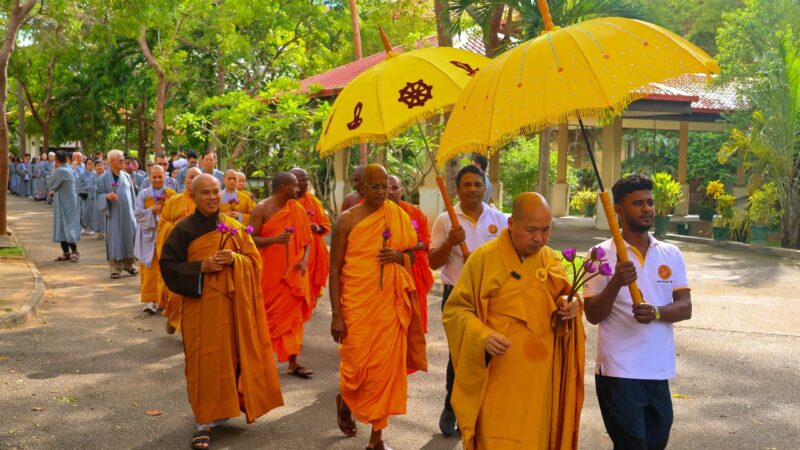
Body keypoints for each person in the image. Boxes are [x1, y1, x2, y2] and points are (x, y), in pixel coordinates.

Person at [443, 192, 584, 449]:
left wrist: (570, 303)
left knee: (535, 436)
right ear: (511, 224)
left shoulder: (549, 258)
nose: (539, 238)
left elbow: (564, 294)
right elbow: (455, 311)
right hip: (500, 370)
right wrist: (482, 336)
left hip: (541, 371)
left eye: (546, 230)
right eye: (531, 230)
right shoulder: (483, 258)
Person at [160, 174, 284, 450]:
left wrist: (236, 260)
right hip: (200, 307)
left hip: (232, 307)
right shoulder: (182, 230)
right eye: (205, 193)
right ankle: (203, 422)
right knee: (203, 361)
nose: (212, 197)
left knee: (231, 358)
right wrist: (199, 268)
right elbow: (168, 267)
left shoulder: (233, 227)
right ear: (193, 197)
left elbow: (254, 262)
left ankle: (226, 408)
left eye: (216, 191)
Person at [583, 175, 692, 450]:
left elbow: (685, 307)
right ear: (617, 210)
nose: (647, 209)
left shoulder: (670, 253)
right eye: (638, 203)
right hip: (618, 372)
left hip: (658, 371)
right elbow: (593, 314)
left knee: (656, 443)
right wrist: (616, 282)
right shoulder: (598, 255)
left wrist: (656, 312)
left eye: (650, 202)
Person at [329, 164, 427, 450]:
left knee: (384, 369)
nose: (381, 192)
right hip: (356, 304)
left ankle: (377, 436)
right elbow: (334, 271)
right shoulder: (346, 220)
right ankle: (345, 398)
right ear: (360, 187)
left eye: (385, 186)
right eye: (375, 186)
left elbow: (414, 249)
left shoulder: (396, 215)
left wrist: (398, 256)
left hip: (389, 305)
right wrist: (336, 315)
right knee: (356, 365)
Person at [429, 164, 508, 436]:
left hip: (492, 296)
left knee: (492, 353)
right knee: (460, 356)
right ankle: (453, 404)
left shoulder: (500, 219)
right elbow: (432, 262)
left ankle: (485, 408)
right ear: (457, 189)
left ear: (485, 187)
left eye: (478, 184)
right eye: (467, 185)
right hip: (457, 296)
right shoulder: (445, 221)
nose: (473, 189)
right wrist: (450, 241)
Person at [250, 172, 314, 378]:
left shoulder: (297, 209)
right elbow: (249, 240)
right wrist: (275, 240)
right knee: (266, 319)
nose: (299, 189)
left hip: (294, 275)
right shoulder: (261, 209)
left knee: (293, 321)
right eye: (295, 185)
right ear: (283, 187)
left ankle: (293, 362)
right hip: (269, 274)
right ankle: (259, 363)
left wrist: (304, 259)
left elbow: (307, 240)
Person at [386, 175, 434, 332]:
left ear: (402, 190)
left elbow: (427, 241)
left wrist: (409, 245)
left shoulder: (415, 213)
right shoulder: (374, 212)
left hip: (413, 270)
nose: (390, 191)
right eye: (386, 187)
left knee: (414, 314)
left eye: (394, 188)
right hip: (386, 269)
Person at [158, 167, 202, 334]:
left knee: (194, 292)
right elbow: (162, 225)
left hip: (197, 253)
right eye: (192, 177)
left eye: (198, 177)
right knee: (175, 291)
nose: (194, 181)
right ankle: (172, 316)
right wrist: (179, 228)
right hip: (177, 252)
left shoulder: (206, 202)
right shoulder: (173, 202)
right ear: (185, 180)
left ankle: (183, 326)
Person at [135, 165, 177, 314]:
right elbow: (138, 213)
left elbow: (176, 215)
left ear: (165, 177)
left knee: (165, 267)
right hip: (148, 235)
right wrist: (151, 211)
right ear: (149, 177)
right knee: (149, 269)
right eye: (155, 177)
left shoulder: (171, 195)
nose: (157, 179)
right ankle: (150, 300)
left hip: (165, 236)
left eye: (160, 176)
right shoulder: (144, 194)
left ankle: (164, 300)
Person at [96, 150, 138, 279]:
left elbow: (132, 195)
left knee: (129, 237)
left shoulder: (126, 175)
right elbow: (97, 195)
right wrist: (106, 196)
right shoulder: (103, 178)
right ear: (111, 162)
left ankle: (129, 264)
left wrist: (135, 212)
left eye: (123, 160)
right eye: (120, 160)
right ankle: (115, 267)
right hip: (114, 214)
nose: (123, 162)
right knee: (115, 240)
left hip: (127, 214)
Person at [291, 167, 330, 303]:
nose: (305, 182)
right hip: (293, 246)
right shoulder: (284, 202)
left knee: (312, 277)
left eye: (306, 179)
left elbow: (325, 225)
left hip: (313, 248)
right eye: (301, 180)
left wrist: (317, 227)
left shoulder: (313, 201)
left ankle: (310, 302)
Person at [47, 150, 81, 263]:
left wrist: (54, 169)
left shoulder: (61, 170)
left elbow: (50, 184)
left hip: (66, 202)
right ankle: (66, 253)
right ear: (67, 159)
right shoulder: (68, 169)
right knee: (62, 225)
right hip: (65, 200)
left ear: (56, 160)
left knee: (67, 226)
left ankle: (75, 251)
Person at [78, 159, 96, 235]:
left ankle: (92, 228)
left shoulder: (96, 174)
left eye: (91, 163)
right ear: (85, 165)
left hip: (94, 196)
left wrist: (92, 188)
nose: (90, 165)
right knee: (84, 212)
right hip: (85, 196)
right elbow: (78, 185)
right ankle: (83, 227)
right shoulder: (82, 174)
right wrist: (86, 188)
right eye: (88, 164)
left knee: (93, 213)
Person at [90, 162, 107, 238]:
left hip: (106, 197)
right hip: (97, 197)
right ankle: (100, 231)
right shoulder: (92, 177)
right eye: (97, 166)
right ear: (95, 167)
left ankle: (107, 231)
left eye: (101, 165)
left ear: (104, 166)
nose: (99, 167)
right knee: (98, 215)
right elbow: (90, 187)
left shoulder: (107, 175)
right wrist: (97, 188)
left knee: (106, 215)